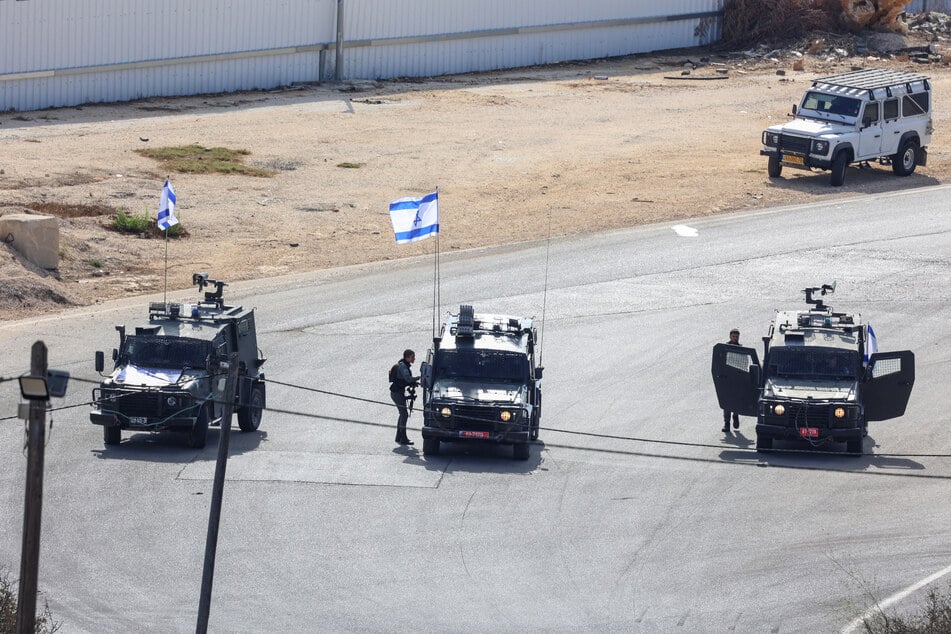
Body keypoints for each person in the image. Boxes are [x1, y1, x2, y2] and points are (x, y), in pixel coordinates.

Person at [390, 349, 419, 445]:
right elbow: (408, 378)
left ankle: (398, 437)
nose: (414, 358)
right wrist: (418, 378)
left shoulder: (403, 365)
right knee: (404, 414)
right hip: (397, 393)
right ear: (408, 357)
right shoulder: (403, 366)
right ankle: (403, 438)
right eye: (412, 356)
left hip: (398, 392)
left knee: (402, 414)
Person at [722, 328, 741, 434]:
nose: (735, 338)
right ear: (730, 337)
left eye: (736, 336)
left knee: (737, 401)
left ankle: (736, 415)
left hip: (737, 379)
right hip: (727, 379)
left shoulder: (741, 349)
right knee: (726, 402)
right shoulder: (725, 348)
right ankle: (726, 423)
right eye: (733, 336)